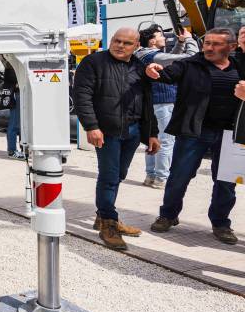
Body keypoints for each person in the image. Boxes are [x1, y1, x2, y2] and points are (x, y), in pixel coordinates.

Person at [145, 27, 244, 245]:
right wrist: (154, 70)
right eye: (207, 43)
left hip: (230, 134)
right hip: (194, 132)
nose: (209, 48)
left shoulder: (240, 66)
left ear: (232, 46)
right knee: (179, 175)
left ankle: (220, 223)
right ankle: (168, 215)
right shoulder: (190, 64)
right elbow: (167, 74)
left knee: (226, 182)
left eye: (216, 44)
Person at [74, 27, 160, 250]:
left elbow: (147, 102)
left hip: (132, 132)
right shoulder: (93, 62)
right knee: (109, 176)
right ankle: (109, 224)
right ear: (111, 40)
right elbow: (82, 96)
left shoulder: (140, 67)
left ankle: (103, 214)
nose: (120, 45)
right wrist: (91, 126)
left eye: (126, 43)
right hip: (107, 131)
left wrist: (152, 133)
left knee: (119, 174)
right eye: (117, 40)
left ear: (136, 46)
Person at [135, 25, 199, 189]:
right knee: (165, 141)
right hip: (162, 103)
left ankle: (150, 176)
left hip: (150, 102)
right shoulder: (154, 56)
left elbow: (170, 59)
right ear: (152, 41)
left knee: (152, 140)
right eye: (160, 35)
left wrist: (180, 42)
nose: (164, 37)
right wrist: (190, 39)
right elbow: (191, 57)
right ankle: (162, 179)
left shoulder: (142, 54)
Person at [0, 56, 23, 159]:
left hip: (17, 94)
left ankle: (21, 149)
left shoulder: (10, 67)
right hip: (17, 95)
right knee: (15, 124)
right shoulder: (12, 69)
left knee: (19, 124)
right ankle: (12, 151)